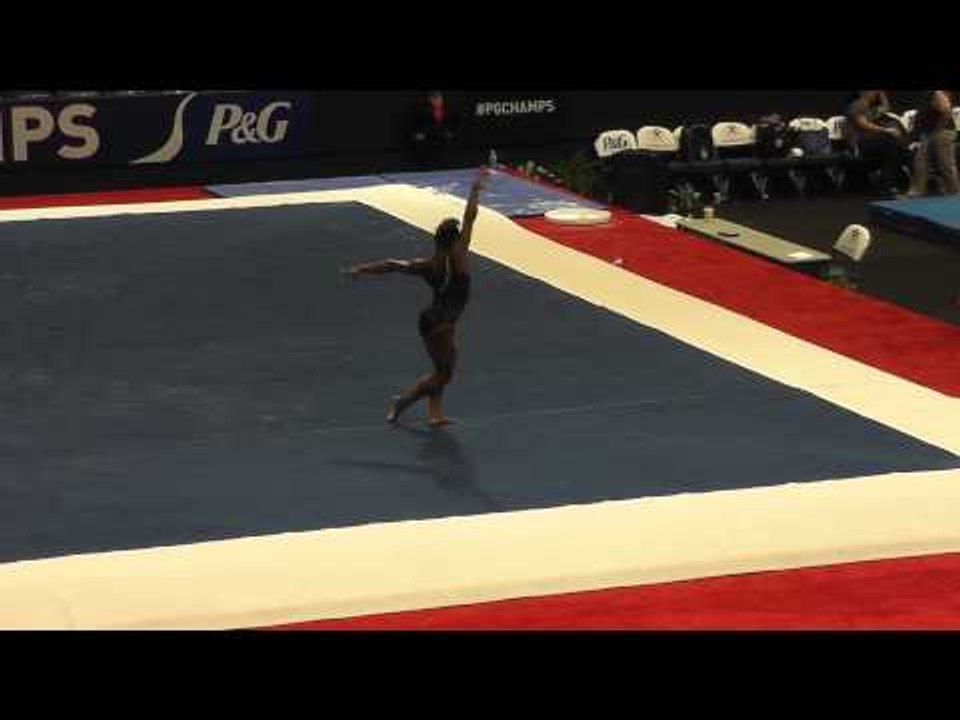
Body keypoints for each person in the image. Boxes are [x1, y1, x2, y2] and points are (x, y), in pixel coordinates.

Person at [342, 167, 488, 426]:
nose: (464, 238)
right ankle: (403, 402)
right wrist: (475, 190)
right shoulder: (460, 255)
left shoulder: (429, 264)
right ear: (454, 241)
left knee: (441, 368)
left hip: (438, 319)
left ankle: (435, 413)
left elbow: (392, 264)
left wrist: (361, 269)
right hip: (438, 324)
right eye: (460, 237)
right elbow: (470, 217)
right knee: (444, 375)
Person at [845, 90, 910, 196]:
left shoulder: (870, 109)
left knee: (896, 147)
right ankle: (887, 185)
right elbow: (863, 124)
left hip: (871, 144)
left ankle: (887, 184)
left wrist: (881, 93)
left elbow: (885, 107)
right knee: (892, 142)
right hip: (859, 145)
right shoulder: (858, 104)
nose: (875, 94)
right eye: (873, 92)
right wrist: (886, 130)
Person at [907, 90, 959, 197]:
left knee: (945, 165)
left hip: (942, 133)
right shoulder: (928, 94)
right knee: (920, 162)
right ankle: (916, 193)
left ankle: (955, 193)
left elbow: (946, 110)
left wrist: (938, 130)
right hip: (928, 133)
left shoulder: (937, 93)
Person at [408, 90, 459, 169]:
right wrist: (417, 133)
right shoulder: (422, 109)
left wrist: (451, 131)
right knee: (422, 139)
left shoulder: (449, 109)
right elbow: (414, 123)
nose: (438, 101)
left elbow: (455, 122)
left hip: (441, 133)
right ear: (430, 100)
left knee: (447, 138)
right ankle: (425, 163)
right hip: (427, 134)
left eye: (440, 99)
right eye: (435, 99)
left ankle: (443, 161)